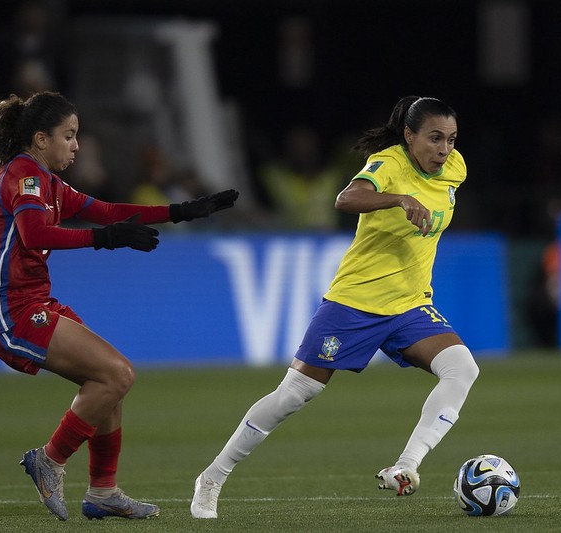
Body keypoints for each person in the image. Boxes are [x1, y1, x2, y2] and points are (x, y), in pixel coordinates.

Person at [191, 95, 480, 518]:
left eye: (451, 140)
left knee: (462, 368)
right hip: (355, 303)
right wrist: (398, 199)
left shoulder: (455, 169)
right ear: (409, 135)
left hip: (409, 304)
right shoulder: (389, 164)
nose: (444, 149)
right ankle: (213, 476)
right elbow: (346, 199)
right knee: (294, 394)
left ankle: (406, 465)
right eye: (435, 138)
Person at [0, 91, 238, 521]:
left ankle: (103, 491)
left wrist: (182, 211)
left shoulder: (47, 181)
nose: (75, 145)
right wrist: (104, 240)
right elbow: (35, 235)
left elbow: (107, 209)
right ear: (40, 139)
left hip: (34, 301)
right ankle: (49, 461)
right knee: (118, 374)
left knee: (108, 382)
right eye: (68, 136)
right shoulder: (25, 177)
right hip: (9, 310)